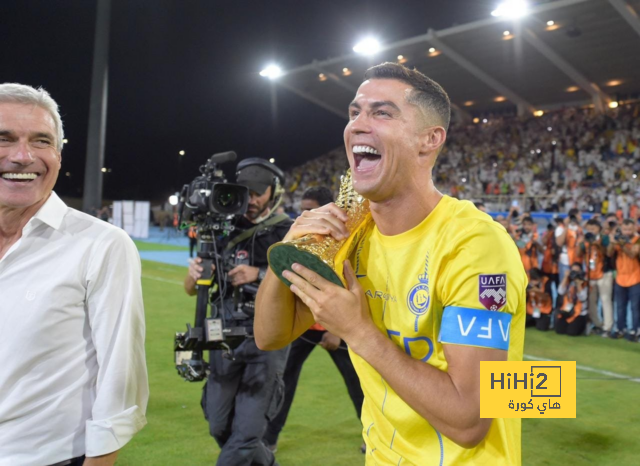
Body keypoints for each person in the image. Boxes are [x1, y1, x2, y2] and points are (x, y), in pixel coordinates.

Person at [255, 63, 527, 465]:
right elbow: (269, 336)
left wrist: (359, 332)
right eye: (354, 112)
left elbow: (470, 421)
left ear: (429, 139)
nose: (357, 125)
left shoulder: (476, 245)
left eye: (382, 112)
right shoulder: (353, 234)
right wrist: (291, 244)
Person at [0, 83, 148, 465]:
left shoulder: (101, 245)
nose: (22, 155)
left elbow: (120, 382)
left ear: (59, 156)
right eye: (4, 138)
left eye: (41, 141)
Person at [184, 158, 292, 466]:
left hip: (267, 337)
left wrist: (258, 275)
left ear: (275, 192)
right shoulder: (223, 228)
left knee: (246, 434)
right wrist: (193, 275)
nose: (252, 200)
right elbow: (192, 289)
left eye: (259, 193)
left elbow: (304, 280)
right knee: (219, 425)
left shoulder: (290, 231)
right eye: (246, 192)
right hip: (224, 332)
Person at [263, 186, 365, 453]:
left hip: (336, 326)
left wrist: (339, 332)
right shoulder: (304, 237)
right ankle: (269, 438)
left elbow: (353, 287)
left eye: (310, 208)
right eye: (303, 208)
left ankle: (370, 435)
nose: (304, 213)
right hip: (305, 326)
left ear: (327, 207)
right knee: (285, 381)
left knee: (358, 384)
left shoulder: (346, 237)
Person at [577, 219, 612, 335]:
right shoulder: (586, 239)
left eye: (593, 228)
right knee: (591, 301)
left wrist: (597, 244)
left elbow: (608, 253)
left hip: (604, 273)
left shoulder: (604, 238)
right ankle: (597, 324)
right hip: (590, 274)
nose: (591, 231)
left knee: (605, 300)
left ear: (599, 228)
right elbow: (578, 254)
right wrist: (580, 241)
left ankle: (607, 327)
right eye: (589, 228)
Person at [607, 219, 640, 341]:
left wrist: (621, 244)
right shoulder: (619, 239)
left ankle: (635, 330)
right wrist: (612, 242)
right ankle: (620, 328)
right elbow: (609, 253)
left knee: (635, 307)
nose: (627, 232)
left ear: (635, 228)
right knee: (620, 306)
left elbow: (632, 254)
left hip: (635, 278)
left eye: (629, 229)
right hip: (620, 278)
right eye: (625, 229)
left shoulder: (637, 240)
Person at [555, 263, 589, 336]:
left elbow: (583, 298)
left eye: (577, 271)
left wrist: (578, 284)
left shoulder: (584, 283)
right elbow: (560, 291)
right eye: (573, 271)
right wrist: (566, 276)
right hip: (567, 311)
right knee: (559, 330)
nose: (575, 274)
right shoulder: (568, 281)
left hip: (579, 313)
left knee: (571, 332)